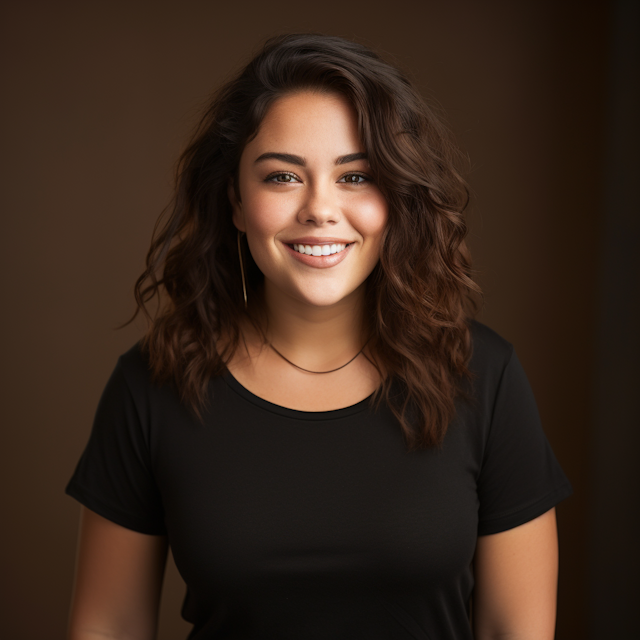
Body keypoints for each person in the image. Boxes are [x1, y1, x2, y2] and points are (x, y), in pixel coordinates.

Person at [66, 33, 572, 640]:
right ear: (235, 200)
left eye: (356, 178)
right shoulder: (152, 384)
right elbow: (109, 625)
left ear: (396, 198)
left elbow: (515, 629)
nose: (320, 209)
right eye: (282, 177)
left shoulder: (483, 375)